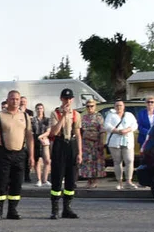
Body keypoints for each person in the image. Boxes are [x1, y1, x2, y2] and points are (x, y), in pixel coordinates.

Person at [0, 90, 34, 220]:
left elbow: (29, 136)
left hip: (20, 154)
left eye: (17, 99)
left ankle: (12, 210)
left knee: (17, 182)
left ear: (20, 100)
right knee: (1, 182)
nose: (15, 101)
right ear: (7, 100)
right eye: (12, 99)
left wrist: (31, 156)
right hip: (3, 152)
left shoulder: (25, 116)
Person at [49, 88, 83, 219]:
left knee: (71, 179)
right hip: (60, 144)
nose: (67, 101)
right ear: (61, 99)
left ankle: (67, 208)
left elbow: (78, 134)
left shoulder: (76, 114)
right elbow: (54, 132)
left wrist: (79, 152)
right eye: (65, 98)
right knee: (57, 178)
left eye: (69, 99)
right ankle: (55, 209)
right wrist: (63, 116)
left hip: (72, 145)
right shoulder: (55, 113)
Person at [103, 100, 139, 190]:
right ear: (114, 107)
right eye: (117, 105)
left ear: (124, 106)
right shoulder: (110, 115)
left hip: (127, 141)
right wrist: (117, 131)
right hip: (115, 141)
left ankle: (128, 181)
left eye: (120, 105)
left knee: (129, 160)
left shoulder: (129, 115)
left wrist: (127, 130)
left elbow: (135, 125)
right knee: (117, 161)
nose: (119, 107)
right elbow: (106, 125)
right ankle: (119, 182)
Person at [79, 99, 105, 188]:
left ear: (95, 106)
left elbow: (102, 130)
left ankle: (94, 181)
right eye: (88, 106)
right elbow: (81, 129)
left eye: (91, 106)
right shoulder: (84, 117)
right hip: (86, 143)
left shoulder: (98, 116)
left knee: (95, 161)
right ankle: (89, 180)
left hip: (95, 143)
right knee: (87, 162)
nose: (90, 108)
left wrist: (101, 142)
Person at [32, 103, 52, 187]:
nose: (39, 110)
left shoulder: (47, 120)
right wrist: (38, 138)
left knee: (47, 160)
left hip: (44, 139)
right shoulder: (33, 120)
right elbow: (31, 131)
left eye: (41, 108)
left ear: (43, 109)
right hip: (35, 140)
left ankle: (45, 179)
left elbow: (48, 131)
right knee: (37, 161)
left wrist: (41, 137)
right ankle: (39, 179)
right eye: (38, 108)